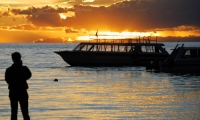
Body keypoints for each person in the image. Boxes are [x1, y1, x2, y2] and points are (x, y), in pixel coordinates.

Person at [5, 52, 32, 120]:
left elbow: (7, 80)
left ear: (12, 59)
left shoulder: (9, 70)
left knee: (14, 112)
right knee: (25, 112)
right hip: (22, 91)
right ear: (20, 58)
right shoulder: (24, 68)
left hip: (13, 92)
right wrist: (22, 78)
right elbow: (29, 75)